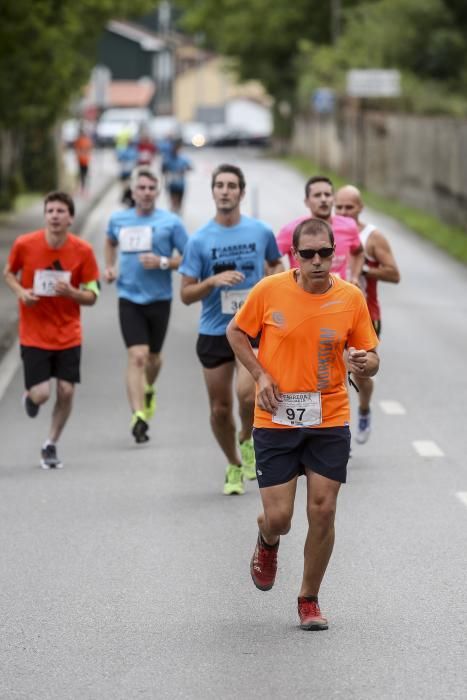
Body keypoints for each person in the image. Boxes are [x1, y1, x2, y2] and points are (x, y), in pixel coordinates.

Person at [226, 217, 379, 630]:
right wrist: (260, 375)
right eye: (307, 254)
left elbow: (371, 354)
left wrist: (367, 363)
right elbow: (236, 332)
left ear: (335, 253)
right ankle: (268, 538)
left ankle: (308, 599)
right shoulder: (270, 289)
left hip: (328, 415)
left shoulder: (351, 298)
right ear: (294, 255)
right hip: (276, 415)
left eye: (324, 253)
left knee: (324, 509)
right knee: (280, 518)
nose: (316, 261)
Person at [179, 164, 283, 495]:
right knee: (220, 409)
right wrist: (211, 281)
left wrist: (270, 281)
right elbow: (185, 294)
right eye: (219, 186)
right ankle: (234, 463)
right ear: (213, 192)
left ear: (241, 191)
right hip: (213, 330)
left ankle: (247, 437)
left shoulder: (260, 232)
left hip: (251, 328)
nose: (225, 191)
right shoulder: (199, 240)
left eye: (231, 186)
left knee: (248, 394)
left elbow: (276, 265)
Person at [3, 191, 100, 469]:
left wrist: (72, 293)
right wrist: (22, 293)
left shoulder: (83, 251)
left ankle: (51, 444)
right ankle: (29, 396)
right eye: (50, 211)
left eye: (60, 211)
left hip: (68, 331)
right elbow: (9, 273)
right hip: (34, 331)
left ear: (70, 218)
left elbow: (93, 294)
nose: (55, 216)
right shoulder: (25, 244)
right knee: (42, 394)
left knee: (67, 391)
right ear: (45, 216)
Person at [104, 166, 188, 444]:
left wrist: (163, 262)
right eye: (141, 188)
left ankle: (148, 388)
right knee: (137, 356)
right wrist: (110, 267)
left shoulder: (170, 222)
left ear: (158, 191)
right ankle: (138, 415)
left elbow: (189, 258)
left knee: (153, 359)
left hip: (159, 298)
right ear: (133, 190)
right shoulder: (118, 219)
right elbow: (109, 241)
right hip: (129, 298)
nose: (147, 193)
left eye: (152, 188)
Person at [335, 184, 400, 443]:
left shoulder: (373, 237)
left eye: (349, 207)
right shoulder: (327, 232)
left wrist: (363, 272)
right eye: (338, 207)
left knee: (360, 371)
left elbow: (394, 274)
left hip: (366, 312)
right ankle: (339, 431)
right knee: (335, 371)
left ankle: (363, 409)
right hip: (330, 314)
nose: (343, 212)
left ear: (360, 208)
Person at [276, 175, 364, 283]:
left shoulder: (349, 225)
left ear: (333, 199)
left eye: (327, 195)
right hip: (303, 295)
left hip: (338, 295)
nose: (323, 199)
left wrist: (354, 277)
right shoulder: (292, 229)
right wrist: (283, 284)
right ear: (307, 201)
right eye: (317, 195)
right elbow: (271, 259)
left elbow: (359, 252)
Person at [161, 138, 192, 214]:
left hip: (181, 184)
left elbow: (190, 167)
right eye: (173, 148)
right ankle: (173, 214)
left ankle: (178, 214)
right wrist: (167, 172)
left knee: (180, 203)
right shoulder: (167, 159)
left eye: (177, 149)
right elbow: (162, 170)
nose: (175, 150)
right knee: (173, 202)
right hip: (171, 183)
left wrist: (184, 169)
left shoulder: (183, 159)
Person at [73, 128, 93, 194]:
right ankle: (83, 190)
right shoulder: (83, 140)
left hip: (84, 160)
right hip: (83, 160)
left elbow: (79, 150)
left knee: (83, 175)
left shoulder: (82, 141)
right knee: (83, 175)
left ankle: (84, 190)